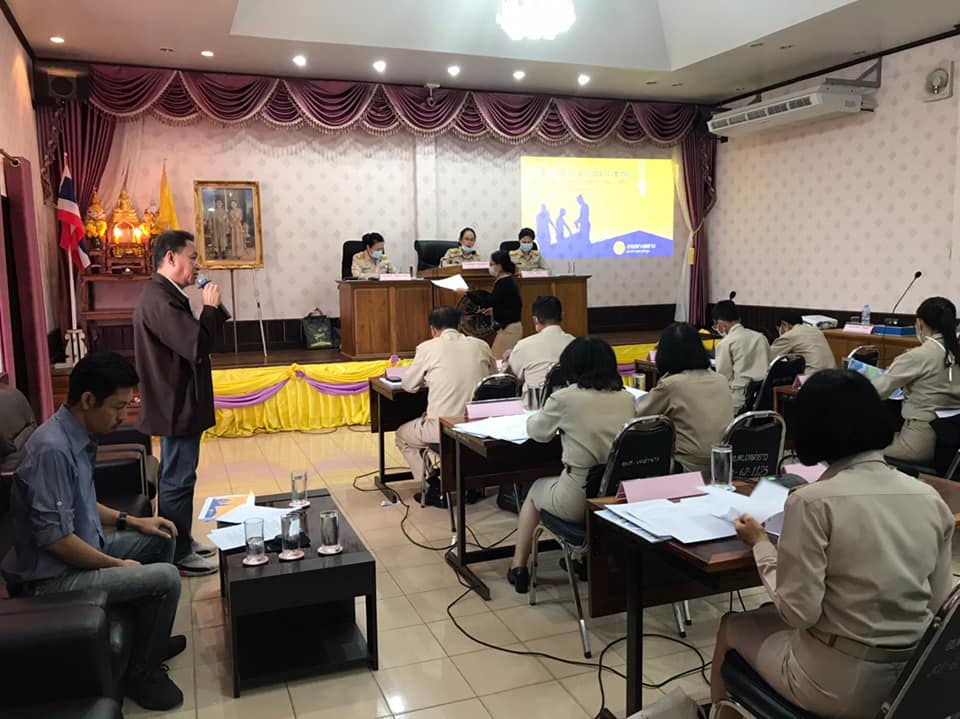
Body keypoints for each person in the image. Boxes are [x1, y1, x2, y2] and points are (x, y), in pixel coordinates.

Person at [711, 369, 954, 719]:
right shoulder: (929, 499)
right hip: (909, 681)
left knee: (732, 625)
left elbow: (798, 613)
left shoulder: (812, 502)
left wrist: (760, 543)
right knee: (765, 616)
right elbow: (938, 604)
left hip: (839, 685)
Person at [0, 352, 187, 711]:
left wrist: (133, 521)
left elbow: (82, 502)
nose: (123, 416)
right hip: (51, 579)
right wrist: (117, 566)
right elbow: (57, 541)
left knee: (162, 536)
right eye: (118, 407)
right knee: (166, 578)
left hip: (80, 547)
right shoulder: (52, 450)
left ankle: (150, 641)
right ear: (88, 400)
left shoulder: (76, 435)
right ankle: (143, 673)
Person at [133, 230, 228, 576]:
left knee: (181, 475)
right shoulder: (160, 299)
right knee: (177, 478)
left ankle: (182, 540)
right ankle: (176, 553)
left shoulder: (167, 294)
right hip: (174, 403)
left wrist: (213, 309)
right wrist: (210, 308)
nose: (197, 265)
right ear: (171, 257)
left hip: (178, 400)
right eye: (193, 257)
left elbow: (197, 342)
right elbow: (196, 345)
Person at [507, 337, 635, 593]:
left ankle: (518, 567)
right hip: (619, 496)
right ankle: (582, 559)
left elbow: (538, 433)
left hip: (579, 497)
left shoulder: (565, 398)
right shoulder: (627, 398)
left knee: (534, 490)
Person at [396, 306, 496, 507]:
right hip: (479, 426)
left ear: (433, 329)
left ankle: (434, 487)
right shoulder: (481, 345)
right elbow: (493, 379)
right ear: (459, 324)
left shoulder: (428, 348)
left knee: (402, 436)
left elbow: (408, 386)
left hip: (444, 429)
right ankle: (471, 486)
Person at [635, 323, 734, 474]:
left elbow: (640, 423)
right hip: (723, 464)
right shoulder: (721, 379)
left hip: (686, 466)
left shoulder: (672, 384)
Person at [873, 296, 960, 463]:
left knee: (857, 446)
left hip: (919, 443)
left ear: (919, 324)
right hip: (951, 441)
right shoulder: (955, 352)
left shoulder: (918, 356)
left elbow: (875, 392)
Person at [507, 295, 574, 402]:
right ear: (562, 315)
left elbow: (513, 378)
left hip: (534, 407)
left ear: (535, 320)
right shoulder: (575, 344)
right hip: (568, 405)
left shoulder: (524, 345)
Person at [713, 299, 769, 411]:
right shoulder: (761, 337)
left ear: (721, 324)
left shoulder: (726, 343)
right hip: (763, 398)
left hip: (738, 401)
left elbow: (723, 378)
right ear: (739, 319)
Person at [467, 250, 523, 359]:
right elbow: (508, 304)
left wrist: (467, 293)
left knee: (498, 361)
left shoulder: (504, 282)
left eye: (491, 264)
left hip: (509, 330)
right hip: (509, 328)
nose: (490, 267)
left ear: (500, 266)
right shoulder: (508, 280)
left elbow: (485, 303)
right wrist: (495, 310)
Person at [769, 311, 836, 374]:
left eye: (778, 329)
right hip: (832, 374)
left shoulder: (790, 335)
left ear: (784, 325)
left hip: (812, 377)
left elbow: (768, 357)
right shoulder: (816, 331)